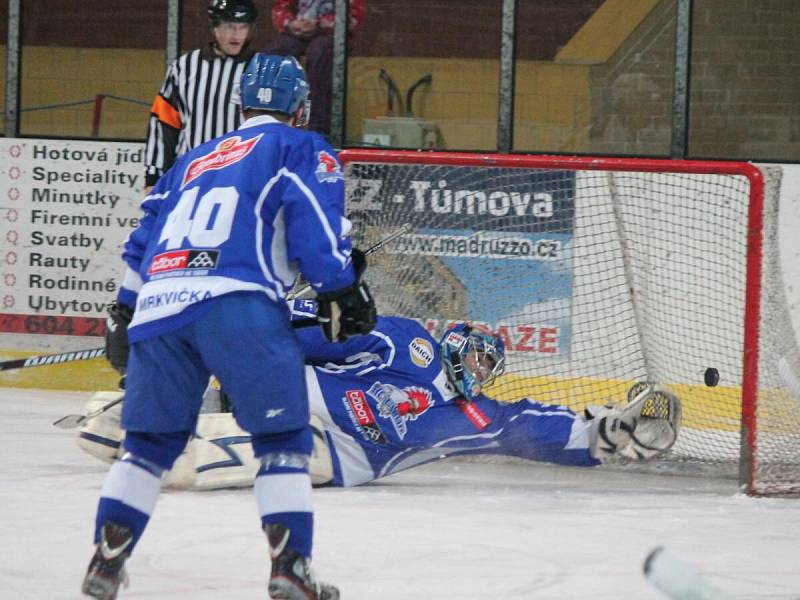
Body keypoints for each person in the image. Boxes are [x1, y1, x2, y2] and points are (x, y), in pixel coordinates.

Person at [80, 54, 377, 600]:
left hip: (160, 307)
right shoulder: (300, 146)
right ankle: (289, 569)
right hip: (237, 304)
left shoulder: (192, 157)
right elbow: (314, 227)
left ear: (242, 103)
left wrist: (123, 312)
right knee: (283, 440)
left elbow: (144, 237)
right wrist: (342, 287)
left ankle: (104, 563)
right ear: (299, 106)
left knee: (145, 447)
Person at [77, 300, 682, 491]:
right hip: (296, 393)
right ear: (456, 341)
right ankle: (152, 400)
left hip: (341, 458)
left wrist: (599, 435)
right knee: (112, 421)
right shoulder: (407, 341)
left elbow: (533, 427)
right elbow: (322, 338)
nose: (477, 368)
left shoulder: (471, 415)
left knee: (214, 463)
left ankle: (153, 441)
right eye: (474, 352)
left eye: (486, 366)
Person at [144, 0, 259, 191]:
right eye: (229, 25)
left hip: (240, 179)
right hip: (189, 177)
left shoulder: (260, 70)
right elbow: (164, 123)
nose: (236, 33)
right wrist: (154, 177)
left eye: (243, 26)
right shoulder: (184, 67)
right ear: (215, 26)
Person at [263, 0, 367, 138]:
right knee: (275, 50)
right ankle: (271, 120)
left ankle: (318, 129)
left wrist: (320, 24)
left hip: (333, 35)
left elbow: (355, 16)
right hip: (297, 32)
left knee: (320, 52)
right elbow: (280, 8)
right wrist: (290, 23)